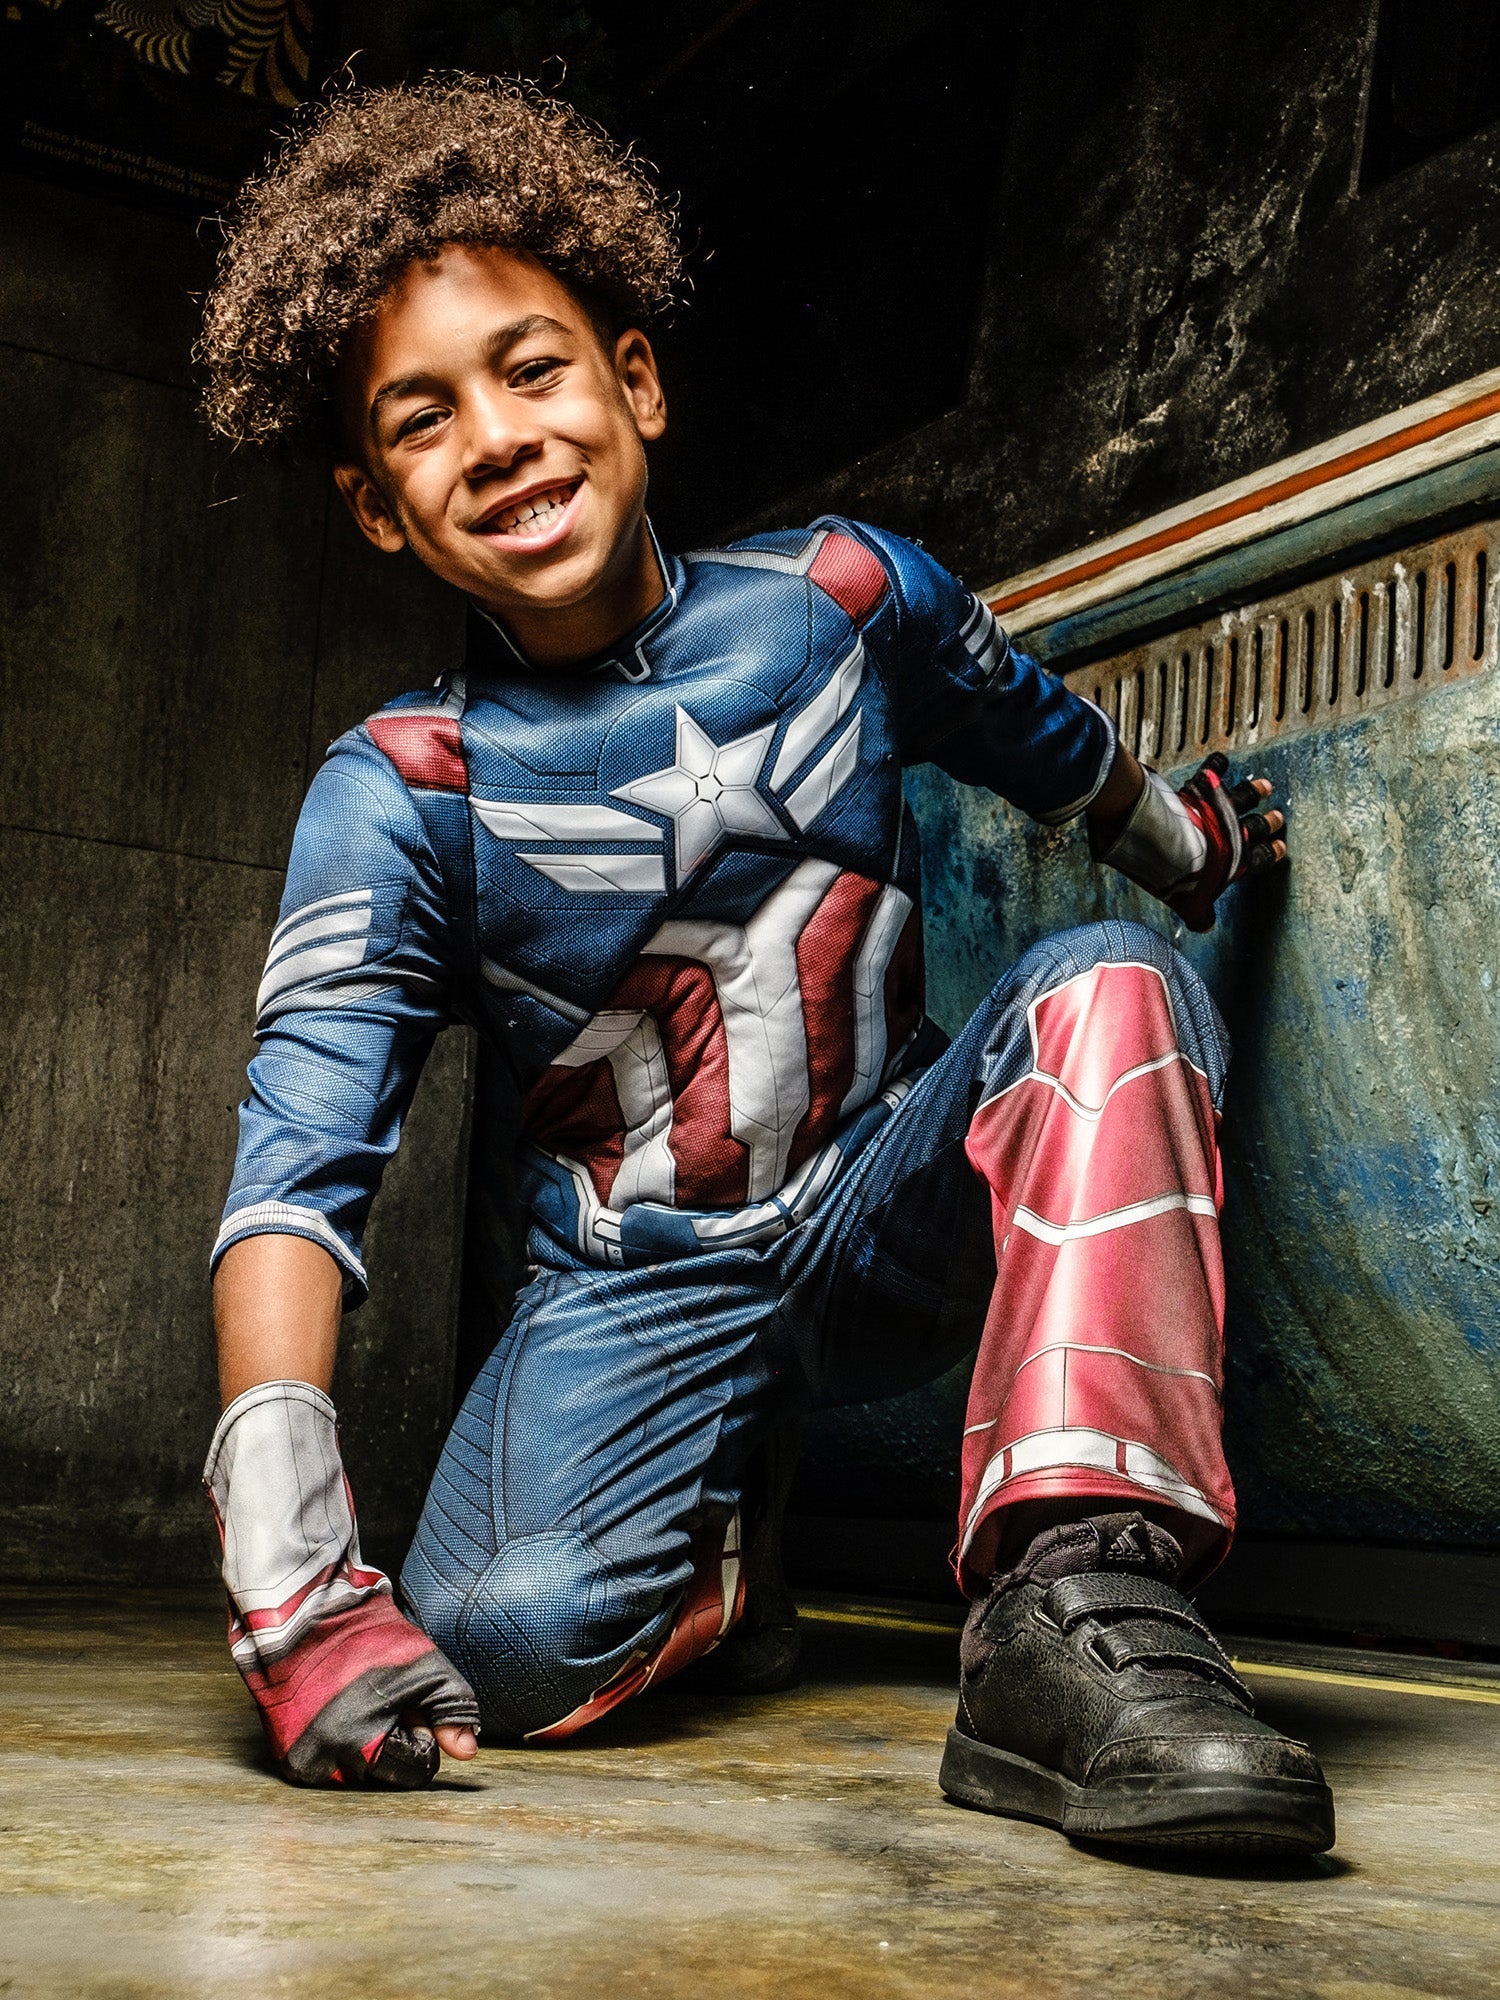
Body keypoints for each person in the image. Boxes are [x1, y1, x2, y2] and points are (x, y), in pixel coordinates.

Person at [198, 77, 1330, 1853]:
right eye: (424, 421)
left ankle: (1084, 1615)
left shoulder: (845, 596)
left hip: (892, 1200)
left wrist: (1185, 850)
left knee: (1106, 985)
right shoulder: (398, 790)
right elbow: (297, 1172)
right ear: (374, 507)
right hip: (634, 1286)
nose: (497, 437)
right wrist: (290, 1571)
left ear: (634, 385)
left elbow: (1041, 736)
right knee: (501, 1647)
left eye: (535, 368)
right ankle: (727, 1547)